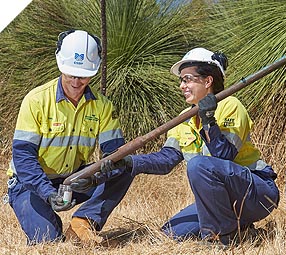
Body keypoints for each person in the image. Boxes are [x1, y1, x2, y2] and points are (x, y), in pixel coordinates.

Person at [71, 47, 280, 245]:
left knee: (199, 164)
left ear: (208, 81)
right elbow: (166, 160)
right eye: (181, 80)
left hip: (257, 193)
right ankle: (241, 229)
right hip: (222, 202)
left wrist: (208, 120)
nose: (182, 86)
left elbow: (223, 156)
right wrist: (128, 163)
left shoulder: (230, 105)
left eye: (187, 79)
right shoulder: (184, 118)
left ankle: (223, 238)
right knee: (170, 233)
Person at [6, 29, 134, 245]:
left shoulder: (103, 106)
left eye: (83, 76)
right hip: (30, 183)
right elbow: (24, 159)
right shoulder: (36, 101)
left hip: (73, 181)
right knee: (47, 242)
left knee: (125, 168)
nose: (77, 81)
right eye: (71, 74)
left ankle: (83, 221)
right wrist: (47, 193)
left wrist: (104, 170)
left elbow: (115, 153)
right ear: (60, 67)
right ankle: (48, 220)